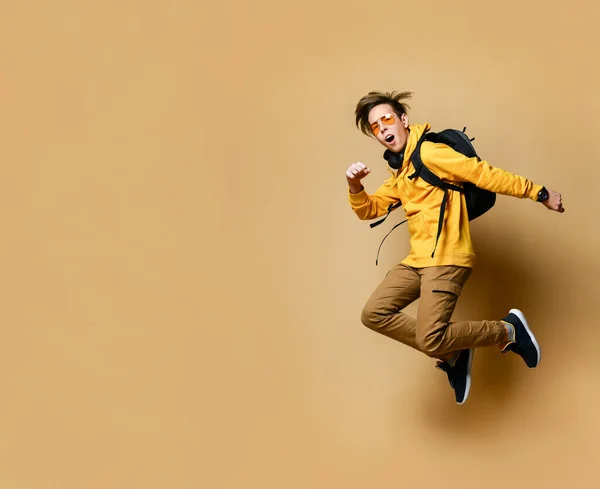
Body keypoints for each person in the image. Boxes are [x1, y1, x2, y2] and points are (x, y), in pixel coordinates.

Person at [346, 91, 564, 404]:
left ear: (403, 120)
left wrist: (539, 193)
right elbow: (370, 209)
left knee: (430, 337)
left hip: (447, 258)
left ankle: (508, 331)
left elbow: (484, 174)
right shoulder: (400, 172)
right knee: (374, 314)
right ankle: (454, 355)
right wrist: (355, 187)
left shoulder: (431, 153)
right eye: (376, 127)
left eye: (387, 119)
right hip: (419, 261)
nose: (383, 129)